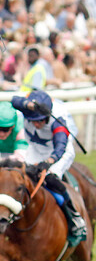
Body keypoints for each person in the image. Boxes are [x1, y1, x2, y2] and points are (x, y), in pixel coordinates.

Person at [11, 90, 87, 244]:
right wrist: (29, 105)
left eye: (40, 121)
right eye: (33, 121)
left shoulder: (58, 120)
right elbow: (13, 100)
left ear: (47, 116)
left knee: (49, 178)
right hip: (35, 148)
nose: (36, 124)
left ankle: (74, 217)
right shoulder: (30, 110)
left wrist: (49, 161)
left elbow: (60, 147)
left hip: (59, 151)